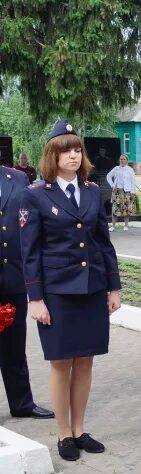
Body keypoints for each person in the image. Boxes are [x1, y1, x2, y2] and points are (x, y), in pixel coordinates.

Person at [20, 119, 122, 461]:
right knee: (61, 363)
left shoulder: (92, 191)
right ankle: (63, 433)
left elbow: (104, 244)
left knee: (86, 362)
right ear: (53, 155)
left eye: (78, 149)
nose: (74, 156)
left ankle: (80, 428)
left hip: (92, 288)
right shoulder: (35, 195)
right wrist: (35, 298)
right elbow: (29, 251)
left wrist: (114, 288)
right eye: (66, 151)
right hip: (57, 293)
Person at [0, 164, 54, 420]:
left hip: (12, 277)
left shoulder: (18, 178)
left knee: (14, 345)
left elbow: (28, 225)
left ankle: (22, 403)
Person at [105, 154, 137, 231]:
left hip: (127, 192)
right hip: (117, 192)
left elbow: (133, 181)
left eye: (124, 159)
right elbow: (108, 176)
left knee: (126, 208)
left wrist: (132, 192)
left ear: (127, 161)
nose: (122, 161)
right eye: (121, 159)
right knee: (115, 208)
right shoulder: (116, 169)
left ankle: (126, 225)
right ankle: (113, 226)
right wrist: (112, 185)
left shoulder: (130, 169)